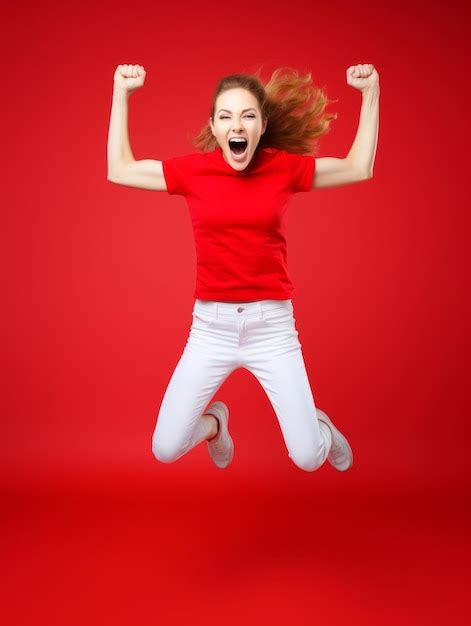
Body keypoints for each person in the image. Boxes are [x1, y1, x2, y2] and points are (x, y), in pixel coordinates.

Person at [107, 63, 380, 472]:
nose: (237, 124)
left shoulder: (283, 168)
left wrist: (371, 92)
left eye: (248, 115)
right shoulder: (193, 172)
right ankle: (216, 424)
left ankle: (319, 428)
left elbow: (359, 166)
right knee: (165, 448)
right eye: (226, 116)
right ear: (214, 128)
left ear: (261, 124)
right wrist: (121, 92)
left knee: (308, 458)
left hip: (272, 330)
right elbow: (120, 169)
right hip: (210, 329)